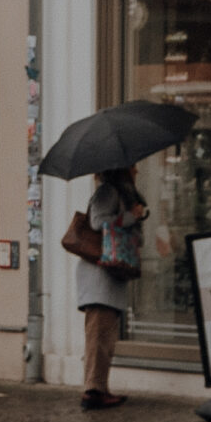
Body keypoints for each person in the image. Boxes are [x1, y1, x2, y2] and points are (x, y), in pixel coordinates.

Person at [68, 162, 146, 407]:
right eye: (132, 166)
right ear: (121, 168)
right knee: (99, 337)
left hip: (109, 275)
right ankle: (93, 391)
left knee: (105, 339)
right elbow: (98, 222)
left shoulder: (119, 192)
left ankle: (99, 388)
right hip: (99, 275)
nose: (137, 171)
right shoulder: (108, 191)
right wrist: (132, 215)